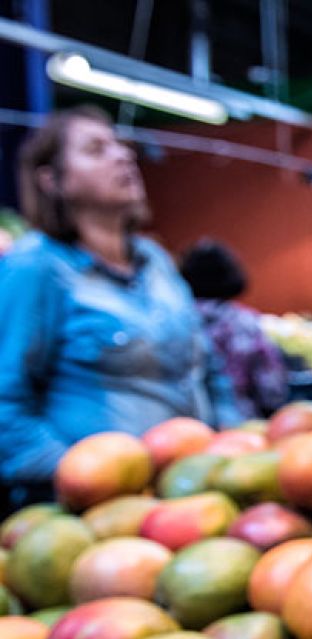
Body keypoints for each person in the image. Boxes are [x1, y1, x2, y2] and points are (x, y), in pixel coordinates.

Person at [0, 107, 241, 503]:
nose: (123, 155)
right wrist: (81, 481)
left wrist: (231, 442)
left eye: (118, 144)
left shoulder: (155, 260)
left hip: (190, 493)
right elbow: (6, 404)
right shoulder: (36, 268)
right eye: (96, 150)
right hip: (98, 513)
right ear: (51, 180)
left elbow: (208, 366)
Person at [180, 239, 291, 419]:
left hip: (184, 422)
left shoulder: (177, 322)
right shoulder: (245, 323)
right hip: (241, 423)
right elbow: (271, 387)